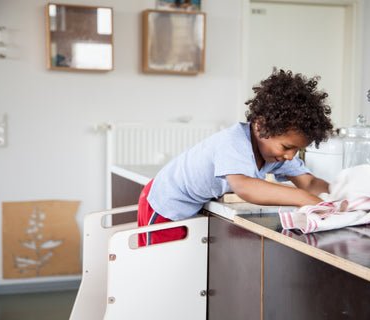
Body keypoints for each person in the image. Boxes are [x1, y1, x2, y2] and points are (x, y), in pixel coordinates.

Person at [137, 68, 333, 246]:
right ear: (261, 125)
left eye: (297, 150)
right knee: (162, 270)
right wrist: (302, 198)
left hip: (186, 208)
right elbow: (244, 186)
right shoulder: (234, 142)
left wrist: (339, 196)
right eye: (287, 147)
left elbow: (309, 182)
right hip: (165, 203)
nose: (290, 156)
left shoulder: (274, 155)